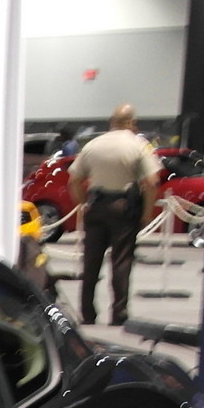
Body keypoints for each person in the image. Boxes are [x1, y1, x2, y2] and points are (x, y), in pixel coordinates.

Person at [68, 104, 162, 328]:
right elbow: (152, 182)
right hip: (123, 207)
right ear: (131, 122)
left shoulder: (92, 145)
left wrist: (84, 203)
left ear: (112, 122)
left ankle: (87, 313)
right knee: (121, 262)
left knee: (91, 262)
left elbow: (73, 180)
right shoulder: (138, 145)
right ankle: (118, 314)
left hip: (96, 206)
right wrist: (146, 215)